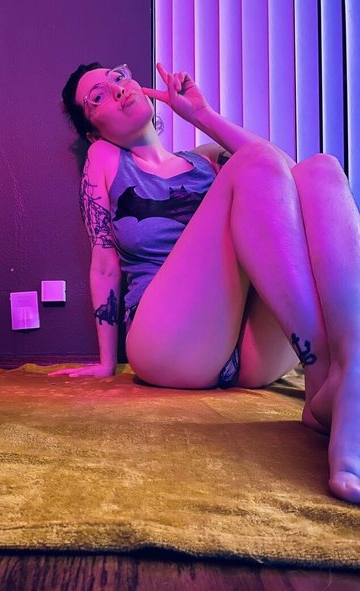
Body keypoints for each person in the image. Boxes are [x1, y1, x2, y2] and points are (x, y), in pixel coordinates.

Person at [51, 61, 360, 504]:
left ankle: (350, 366)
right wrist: (105, 362)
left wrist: (201, 115)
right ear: (92, 131)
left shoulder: (207, 160)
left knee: (322, 170)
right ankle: (328, 373)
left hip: (246, 348)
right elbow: (103, 263)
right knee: (257, 162)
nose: (116, 89)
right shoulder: (106, 158)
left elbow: (287, 179)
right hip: (167, 340)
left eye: (118, 77)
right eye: (97, 96)